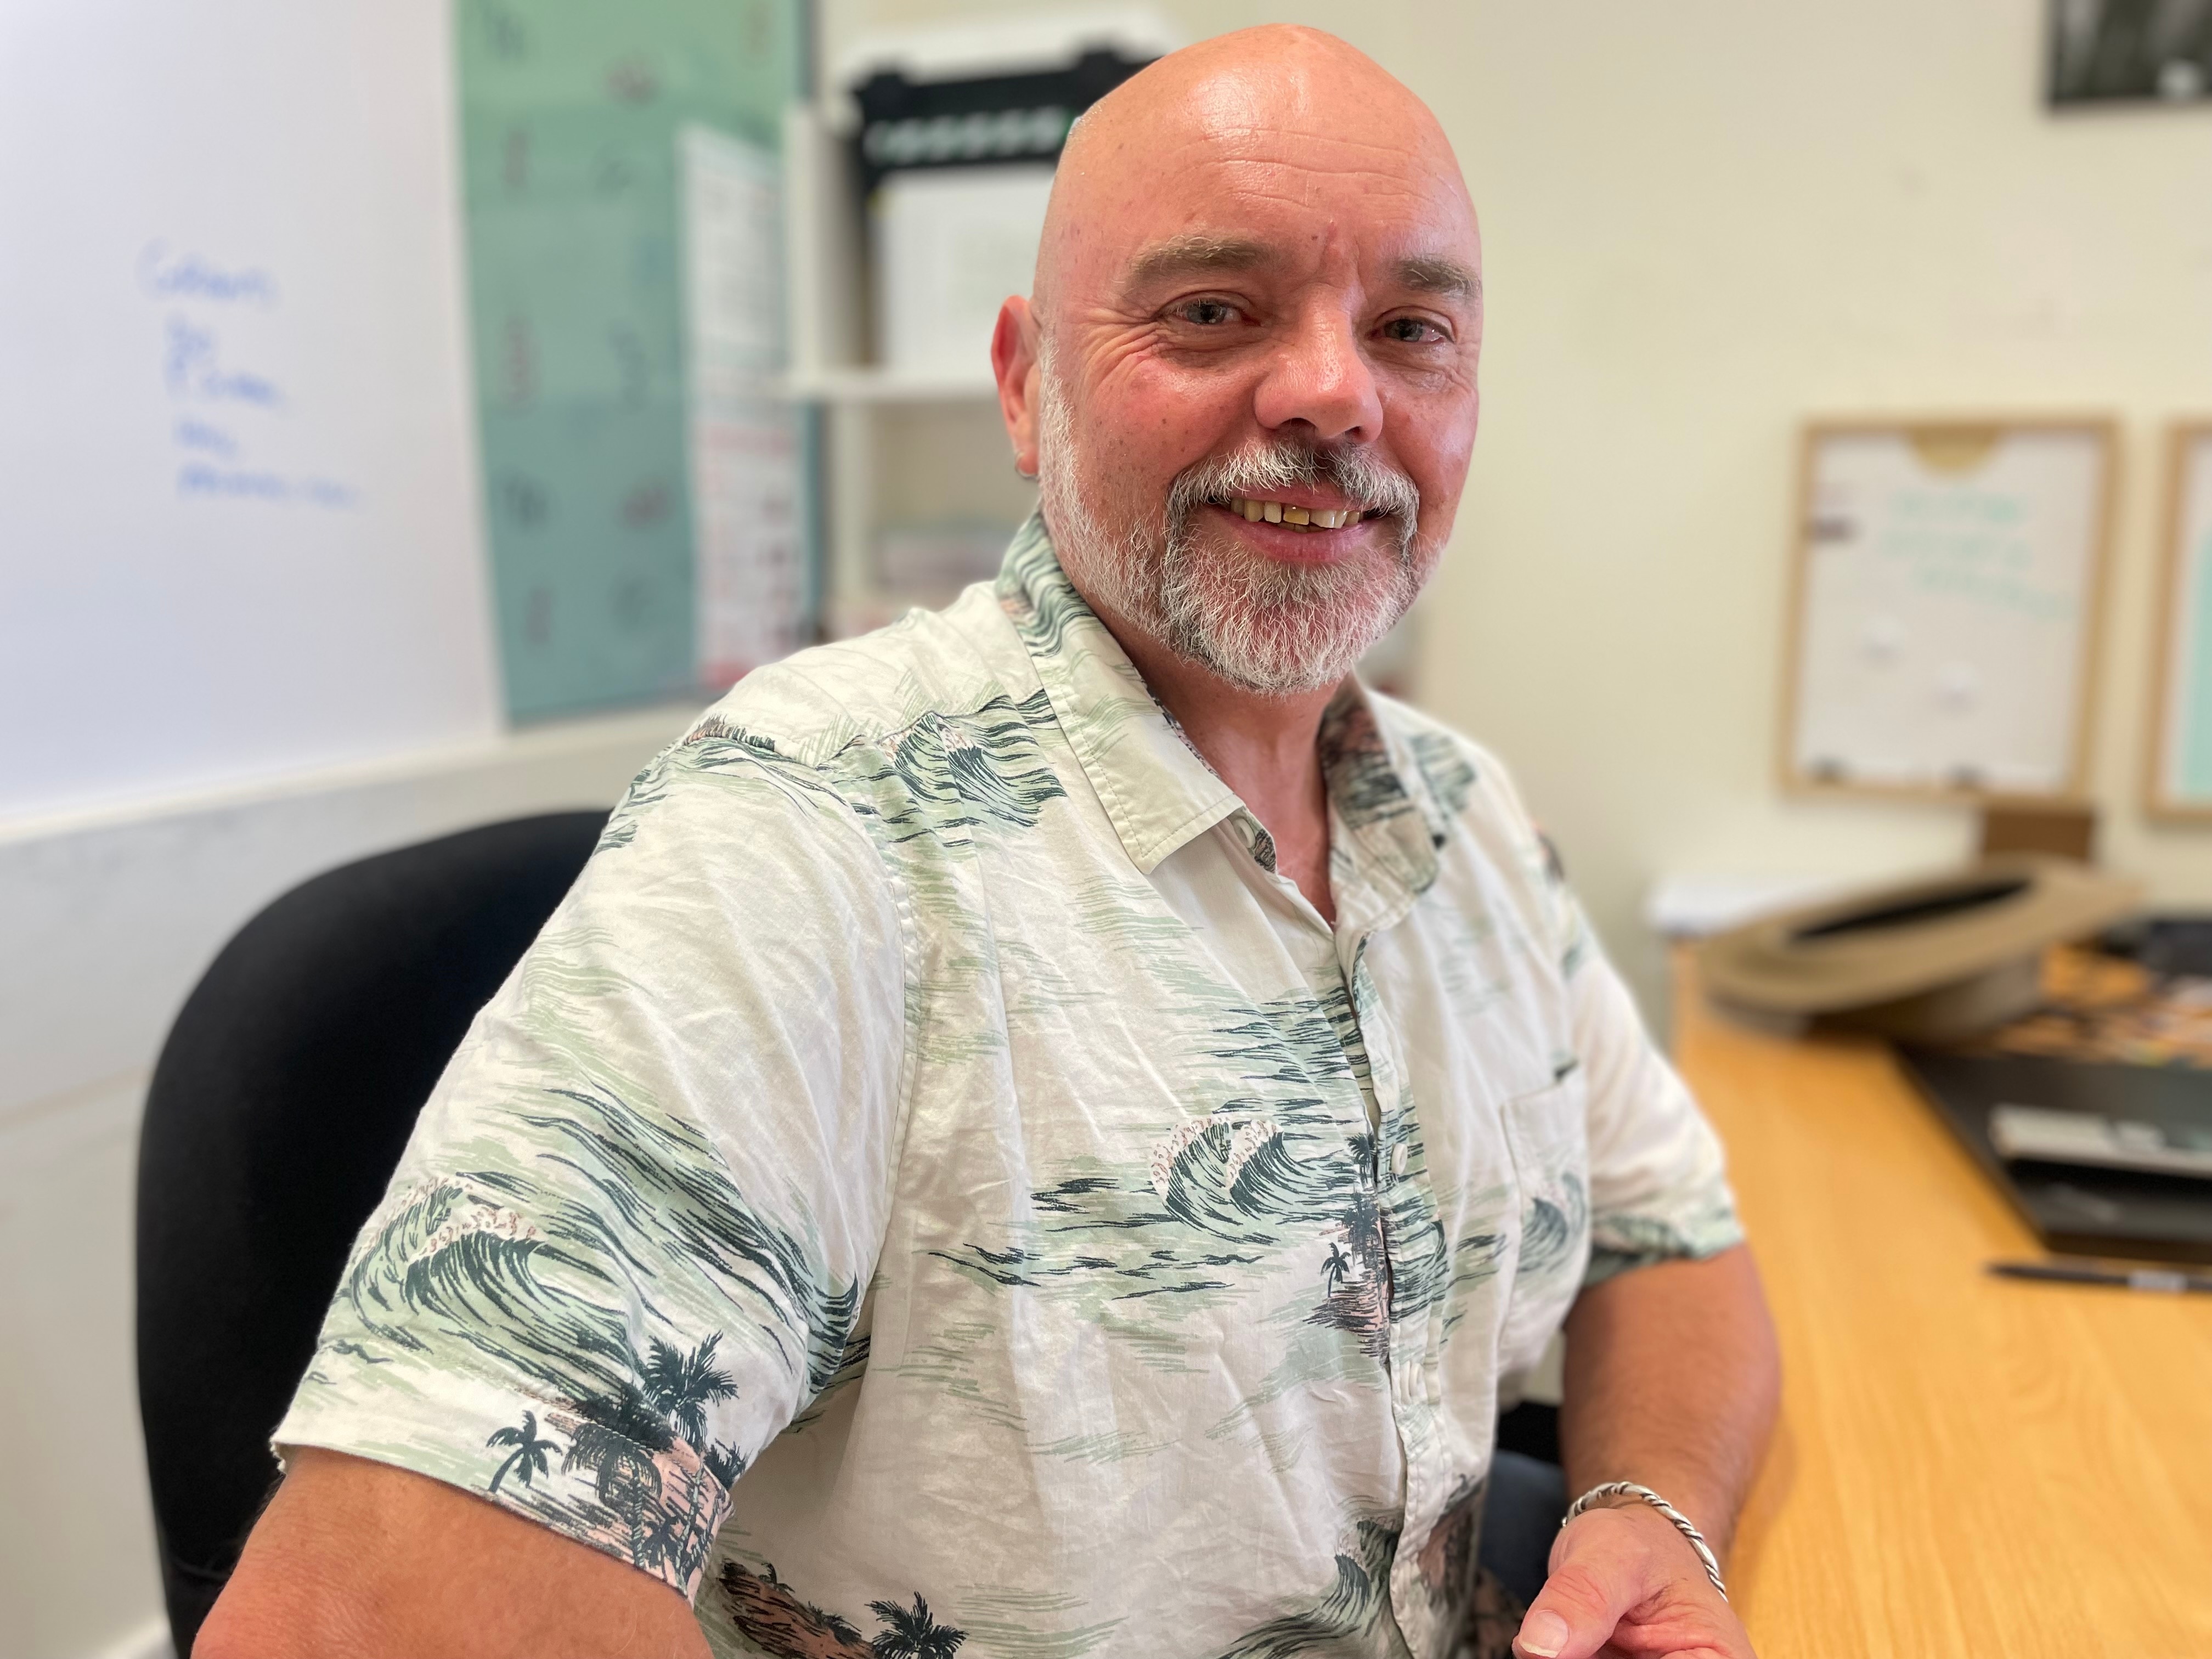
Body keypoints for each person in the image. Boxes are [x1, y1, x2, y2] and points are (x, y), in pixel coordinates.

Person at [201, 26, 1778, 1659]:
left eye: (1412, 329)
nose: (1334, 390)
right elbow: (362, 1615)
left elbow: (1676, 1238)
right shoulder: (816, 831)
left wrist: (1646, 1509)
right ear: (1027, 385)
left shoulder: (1469, 820)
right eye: (1211, 311)